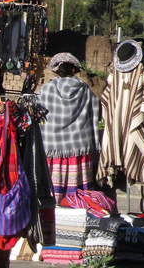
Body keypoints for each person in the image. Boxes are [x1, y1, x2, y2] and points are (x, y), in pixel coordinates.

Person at [39, 53, 101, 201]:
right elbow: (94, 113)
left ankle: (55, 206)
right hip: (78, 146)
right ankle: (77, 204)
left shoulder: (46, 90)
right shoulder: (85, 89)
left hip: (53, 147)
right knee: (79, 191)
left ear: (57, 70)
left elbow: (38, 115)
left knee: (53, 189)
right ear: (73, 70)